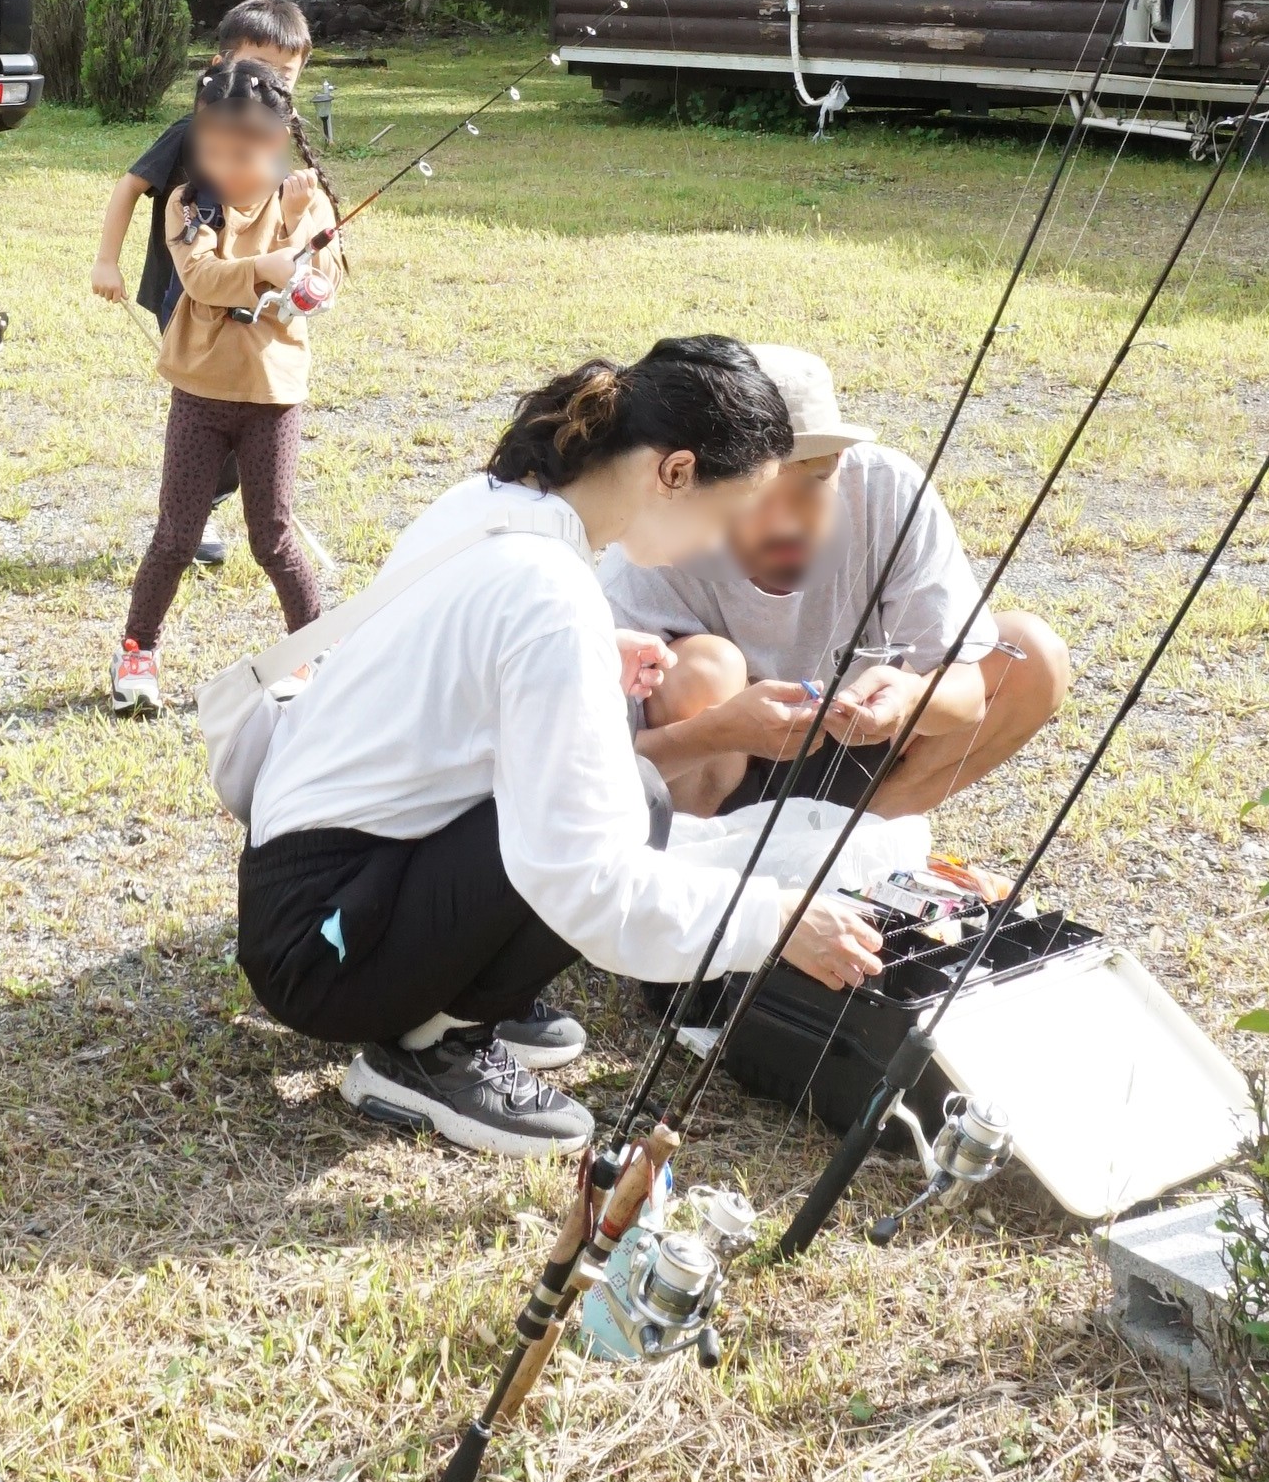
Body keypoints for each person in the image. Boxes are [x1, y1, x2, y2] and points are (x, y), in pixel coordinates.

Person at [238, 340, 887, 1157]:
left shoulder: (497, 502)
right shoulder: (550, 594)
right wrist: (777, 921)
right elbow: (589, 883)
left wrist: (591, 650)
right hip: (321, 950)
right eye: (725, 517)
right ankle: (430, 1049)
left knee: (639, 790)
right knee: (620, 808)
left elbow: (433, 647)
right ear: (675, 472)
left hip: (305, 882)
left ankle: (451, 1001)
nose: (717, 545)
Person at [611, 344, 1072, 825]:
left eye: (814, 483)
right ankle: (704, 861)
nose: (789, 523)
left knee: (1030, 652)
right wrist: (721, 733)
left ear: (840, 458)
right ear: (715, 478)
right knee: (706, 668)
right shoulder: (658, 537)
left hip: (856, 746)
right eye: (761, 495)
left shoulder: (887, 489)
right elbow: (592, 762)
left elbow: (969, 693)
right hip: (711, 766)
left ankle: (853, 840)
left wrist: (910, 697)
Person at [111, 55, 340, 718]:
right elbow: (203, 280)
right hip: (201, 394)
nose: (235, 167)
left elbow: (320, 284)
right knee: (176, 535)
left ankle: (311, 651)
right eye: (218, 151)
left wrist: (299, 241)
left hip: (274, 395)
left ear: (280, 142)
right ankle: (137, 653)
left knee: (272, 535)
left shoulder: (304, 197)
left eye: (252, 152)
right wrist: (271, 263)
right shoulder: (188, 201)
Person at [91, 0, 316, 569]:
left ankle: (203, 503)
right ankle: (189, 516)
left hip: (254, 299)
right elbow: (129, 187)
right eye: (261, 68)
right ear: (220, 64)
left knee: (253, 401)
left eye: (286, 76)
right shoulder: (190, 132)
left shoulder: (274, 141)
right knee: (206, 404)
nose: (273, 86)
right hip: (184, 292)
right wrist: (106, 261)